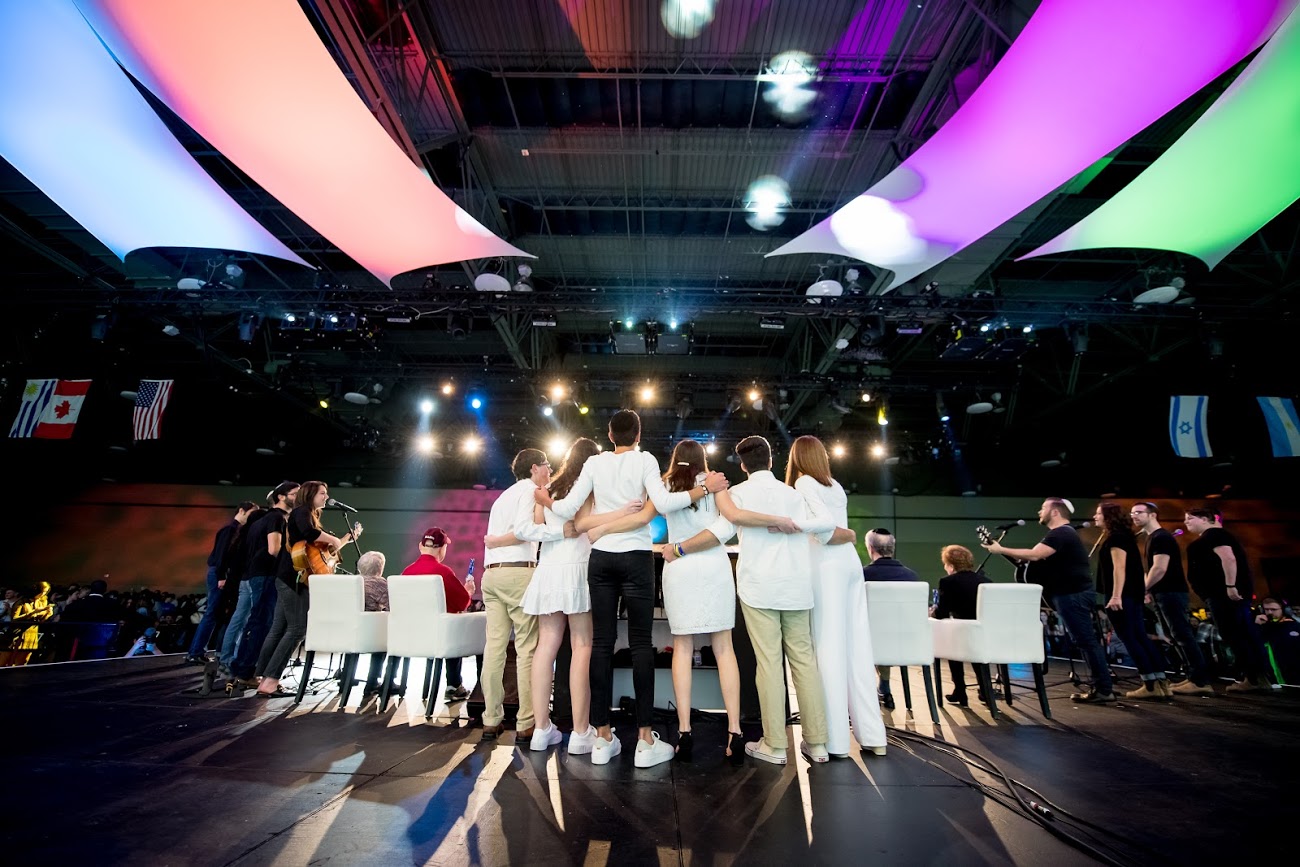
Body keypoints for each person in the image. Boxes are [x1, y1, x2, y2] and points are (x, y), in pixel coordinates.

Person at [538, 410, 726, 767]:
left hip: (601, 559)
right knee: (641, 644)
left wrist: (549, 503)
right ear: (638, 435)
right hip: (637, 558)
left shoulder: (594, 463)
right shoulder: (645, 460)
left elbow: (568, 509)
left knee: (602, 644)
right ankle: (644, 739)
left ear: (610, 436)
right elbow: (665, 503)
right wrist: (704, 489)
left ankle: (602, 738)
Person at [673, 435, 843, 765]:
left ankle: (775, 745)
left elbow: (720, 533)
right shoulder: (794, 494)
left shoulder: (736, 494)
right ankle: (818, 744)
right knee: (804, 662)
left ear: (742, 465)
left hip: (759, 588)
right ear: (771, 461)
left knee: (768, 664)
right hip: (797, 587)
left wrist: (678, 548)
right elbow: (823, 528)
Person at [519, 438, 653, 756]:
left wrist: (555, 532)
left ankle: (541, 729)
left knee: (545, 647)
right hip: (578, 568)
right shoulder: (588, 485)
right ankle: (581, 732)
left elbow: (531, 528)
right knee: (583, 646)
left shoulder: (548, 487)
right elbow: (584, 524)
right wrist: (621, 512)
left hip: (548, 570)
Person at [615, 438, 744, 763]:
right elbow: (727, 527)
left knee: (682, 648)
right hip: (714, 567)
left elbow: (646, 515)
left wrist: (678, 547)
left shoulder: (665, 486)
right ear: (702, 459)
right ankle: (735, 732)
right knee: (724, 648)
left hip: (679, 567)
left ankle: (684, 732)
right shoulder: (714, 482)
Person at [785, 436, 885, 758]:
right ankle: (874, 736)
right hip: (851, 564)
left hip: (825, 566)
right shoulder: (836, 485)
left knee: (827, 648)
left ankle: (835, 741)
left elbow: (825, 532)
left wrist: (790, 525)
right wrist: (850, 534)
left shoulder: (803, 483)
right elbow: (840, 530)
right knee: (858, 648)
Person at [983, 498, 1116, 704]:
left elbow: (1035, 555)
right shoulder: (1060, 534)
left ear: (1055, 512)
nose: (1039, 511)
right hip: (1070, 595)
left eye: (1043, 508)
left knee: (1086, 641)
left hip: (1073, 595)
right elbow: (1033, 562)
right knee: (1084, 641)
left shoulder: (1060, 533)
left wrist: (1002, 550)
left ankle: (1104, 690)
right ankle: (1102, 688)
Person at [477, 449, 551, 743]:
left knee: (494, 648)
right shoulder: (531, 491)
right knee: (526, 649)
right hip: (518, 572)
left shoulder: (502, 496)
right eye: (547, 466)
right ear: (534, 468)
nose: (549, 471)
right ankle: (525, 722)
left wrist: (494, 542)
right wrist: (498, 541)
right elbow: (524, 531)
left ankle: (490, 719)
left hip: (491, 575)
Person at [255, 481, 354, 698]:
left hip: (288, 577)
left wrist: (338, 540)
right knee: (297, 629)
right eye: (322, 493)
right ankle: (270, 681)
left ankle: (263, 678)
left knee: (279, 628)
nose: (326, 497)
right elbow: (309, 533)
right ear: (310, 495)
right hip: (294, 579)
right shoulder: (302, 512)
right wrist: (333, 538)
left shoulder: (305, 513)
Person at [1184, 508, 1275, 693]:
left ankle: (1254, 678)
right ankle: (1257, 677)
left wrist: (1230, 586)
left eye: (1190, 518)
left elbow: (1228, 558)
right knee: (1239, 633)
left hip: (1224, 595)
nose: (1186, 522)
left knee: (1235, 634)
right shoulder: (1213, 536)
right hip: (1222, 594)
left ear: (1205, 519)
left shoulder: (1215, 535)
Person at [1130, 502, 1214, 696]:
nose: (1134, 516)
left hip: (1171, 592)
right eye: (1132, 513)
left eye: (1139, 512)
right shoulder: (1152, 538)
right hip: (1163, 593)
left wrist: (1143, 589)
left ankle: (1200, 681)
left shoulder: (1161, 537)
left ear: (1152, 515)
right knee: (1174, 636)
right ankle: (1193, 677)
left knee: (1182, 635)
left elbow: (1160, 568)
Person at [221, 482, 297, 685]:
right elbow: (274, 549)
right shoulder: (277, 518)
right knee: (261, 624)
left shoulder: (261, 520)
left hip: (254, 576)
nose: (298, 498)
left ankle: (241, 668)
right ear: (281, 497)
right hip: (266, 575)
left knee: (254, 622)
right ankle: (246, 672)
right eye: (294, 494)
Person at [1092, 502, 1170, 700]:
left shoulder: (1116, 538)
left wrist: (1116, 595)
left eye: (1098, 513)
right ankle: (1160, 683)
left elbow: (1119, 567)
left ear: (1109, 517)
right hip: (1131, 594)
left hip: (1122, 595)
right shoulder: (1125, 537)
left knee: (1130, 638)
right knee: (1140, 637)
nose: (1095, 517)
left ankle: (1150, 685)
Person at [403, 528, 475, 701]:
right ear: (442, 548)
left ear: (421, 546)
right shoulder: (444, 572)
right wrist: (468, 592)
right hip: (440, 638)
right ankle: (455, 685)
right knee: (455, 626)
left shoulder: (406, 573)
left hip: (409, 636)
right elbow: (462, 603)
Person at [187, 501, 257, 663]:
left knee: (217, 614)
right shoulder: (230, 530)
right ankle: (196, 652)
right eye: (251, 513)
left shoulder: (235, 530)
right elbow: (221, 555)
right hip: (220, 574)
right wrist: (221, 576)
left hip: (223, 574)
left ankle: (200, 651)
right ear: (242, 511)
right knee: (212, 613)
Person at [860, 528, 922, 709]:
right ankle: (884, 686)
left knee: (870, 633)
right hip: (906, 643)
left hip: (871, 642)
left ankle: (861, 696)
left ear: (870, 548)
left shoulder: (863, 575)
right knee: (883, 633)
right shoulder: (911, 577)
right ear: (892, 548)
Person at [356, 550, 391, 698]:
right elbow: (392, 607)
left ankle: (345, 679)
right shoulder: (380, 584)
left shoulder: (352, 582)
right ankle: (374, 681)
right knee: (383, 641)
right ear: (380, 569)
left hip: (350, 633)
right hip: (370, 634)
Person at [1255, 598, 1300, 685]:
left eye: (1273, 609)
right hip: (1275, 674)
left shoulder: (1293, 626)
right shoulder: (1263, 626)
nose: (1270, 612)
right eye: (1266, 609)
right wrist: (1257, 627)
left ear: (1283, 610)